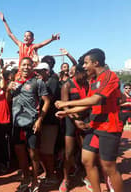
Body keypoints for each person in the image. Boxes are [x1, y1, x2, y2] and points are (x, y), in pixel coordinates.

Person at [55, 48, 123, 192]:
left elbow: (96, 99)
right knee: (86, 160)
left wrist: (66, 104)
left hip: (109, 127)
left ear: (96, 62)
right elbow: (87, 102)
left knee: (108, 166)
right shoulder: (93, 80)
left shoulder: (109, 76)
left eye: (86, 63)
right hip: (95, 126)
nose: (84, 67)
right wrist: (67, 113)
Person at [6, 57, 50, 192]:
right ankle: (25, 178)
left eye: (28, 65)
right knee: (20, 154)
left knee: (33, 154)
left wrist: (39, 120)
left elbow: (47, 101)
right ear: (20, 66)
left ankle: (35, 180)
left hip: (32, 123)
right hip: (17, 123)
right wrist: (8, 90)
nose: (26, 67)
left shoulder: (38, 82)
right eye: (23, 65)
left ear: (32, 66)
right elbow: (8, 100)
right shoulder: (14, 83)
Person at [58, 63, 89, 192]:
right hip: (71, 120)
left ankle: (86, 175)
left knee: (86, 152)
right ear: (77, 73)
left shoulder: (87, 84)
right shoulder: (67, 85)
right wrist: (76, 119)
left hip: (85, 120)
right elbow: (65, 105)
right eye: (83, 74)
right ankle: (66, 179)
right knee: (68, 153)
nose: (85, 76)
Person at [33, 62, 59, 186]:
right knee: (42, 150)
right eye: (36, 70)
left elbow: (48, 100)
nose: (37, 73)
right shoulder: (40, 82)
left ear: (47, 71)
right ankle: (48, 173)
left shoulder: (52, 82)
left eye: (40, 71)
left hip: (50, 122)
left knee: (47, 151)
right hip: (42, 121)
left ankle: (52, 176)